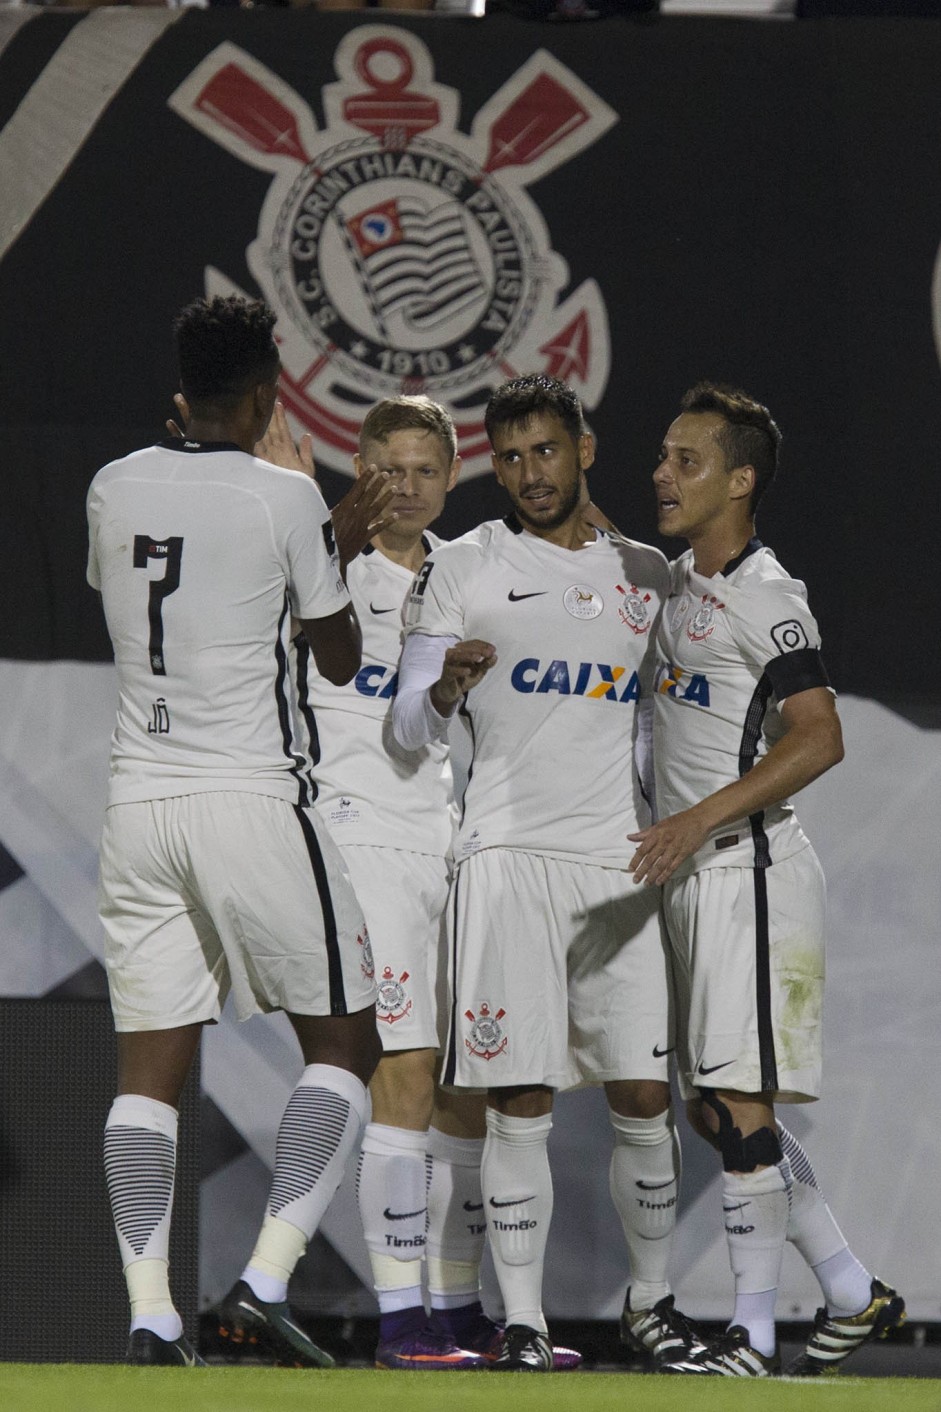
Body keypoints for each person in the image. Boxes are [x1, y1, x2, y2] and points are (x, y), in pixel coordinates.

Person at [86, 294, 393, 1367]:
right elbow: (340, 657)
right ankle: (264, 1277)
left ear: (182, 389)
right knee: (348, 1044)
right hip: (251, 795)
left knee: (146, 1071)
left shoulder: (112, 484)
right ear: (268, 393)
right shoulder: (286, 497)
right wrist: (332, 531)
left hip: (138, 804)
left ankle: (149, 1314)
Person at [390, 373, 708, 1372]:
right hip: (504, 858)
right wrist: (442, 685)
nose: (529, 473)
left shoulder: (647, 573)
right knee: (518, 1095)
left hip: (615, 862)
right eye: (512, 455)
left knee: (643, 1099)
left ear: (583, 447)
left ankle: (650, 1304)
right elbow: (405, 727)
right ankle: (521, 1320)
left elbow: (668, 720)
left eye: (546, 450)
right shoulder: (464, 566)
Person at [259, 394, 579, 1371]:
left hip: (444, 844)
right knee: (399, 1073)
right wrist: (289, 504)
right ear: (358, 467)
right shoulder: (315, 557)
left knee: (460, 1088)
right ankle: (400, 1321)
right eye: (385, 468)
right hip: (357, 841)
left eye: (423, 470)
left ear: (451, 476)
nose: (403, 486)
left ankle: (453, 1306)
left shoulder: (464, 572)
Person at [628, 381, 905, 1376]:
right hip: (690, 878)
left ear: (738, 479)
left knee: (739, 1104)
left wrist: (696, 818)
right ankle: (845, 1285)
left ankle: (749, 1332)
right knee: (711, 1107)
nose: (662, 472)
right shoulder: (666, 584)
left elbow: (819, 735)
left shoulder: (768, 595)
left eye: (685, 459)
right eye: (661, 455)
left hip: (747, 871)